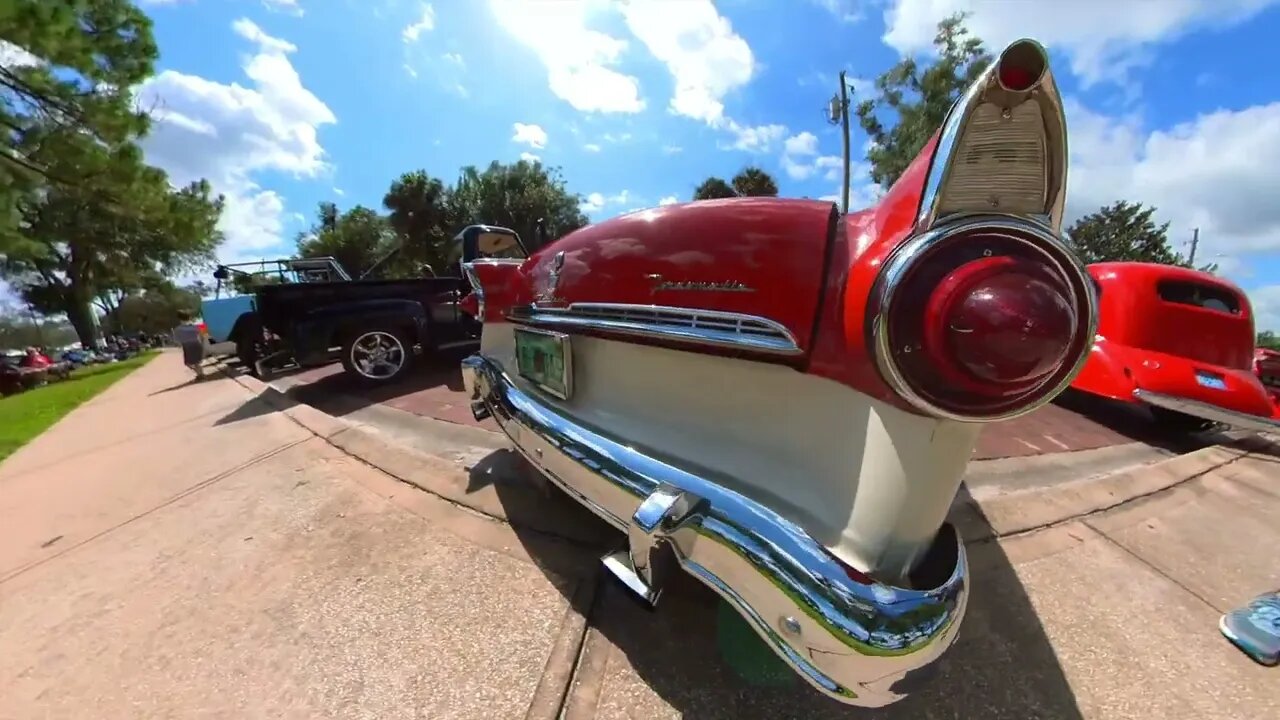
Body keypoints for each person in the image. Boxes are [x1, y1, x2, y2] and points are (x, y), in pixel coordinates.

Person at [174, 312, 207, 380]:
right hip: (196, 344)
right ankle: (200, 374)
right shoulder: (195, 326)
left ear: (179, 319)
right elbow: (203, 334)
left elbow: (177, 340)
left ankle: (201, 375)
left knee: (189, 363)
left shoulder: (178, 329)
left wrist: (179, 343)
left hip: (187, 346)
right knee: (197, 362)